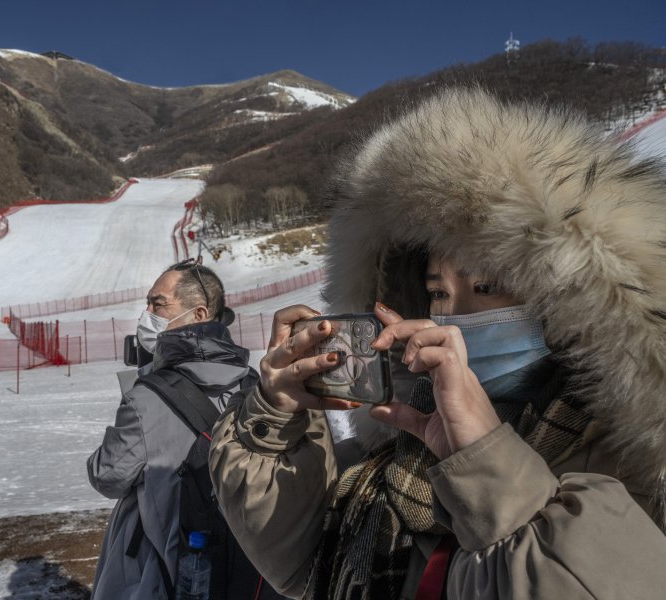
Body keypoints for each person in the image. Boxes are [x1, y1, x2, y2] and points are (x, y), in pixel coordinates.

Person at [209, 87, 666, 599]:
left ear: (566, 299)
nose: (454, 319)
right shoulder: (400, 448)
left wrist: (488, 464)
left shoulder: (633, 467)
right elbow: (298, 565)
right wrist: (275, 422)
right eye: (435, 293)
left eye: (488, 287)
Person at [87, 260, 274, 600]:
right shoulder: (254, 385)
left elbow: (108, 476)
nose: (147, 312)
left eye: (159, 303)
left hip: (161, 576)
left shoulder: (148, 396)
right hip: (245, 571)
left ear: (199, 314)